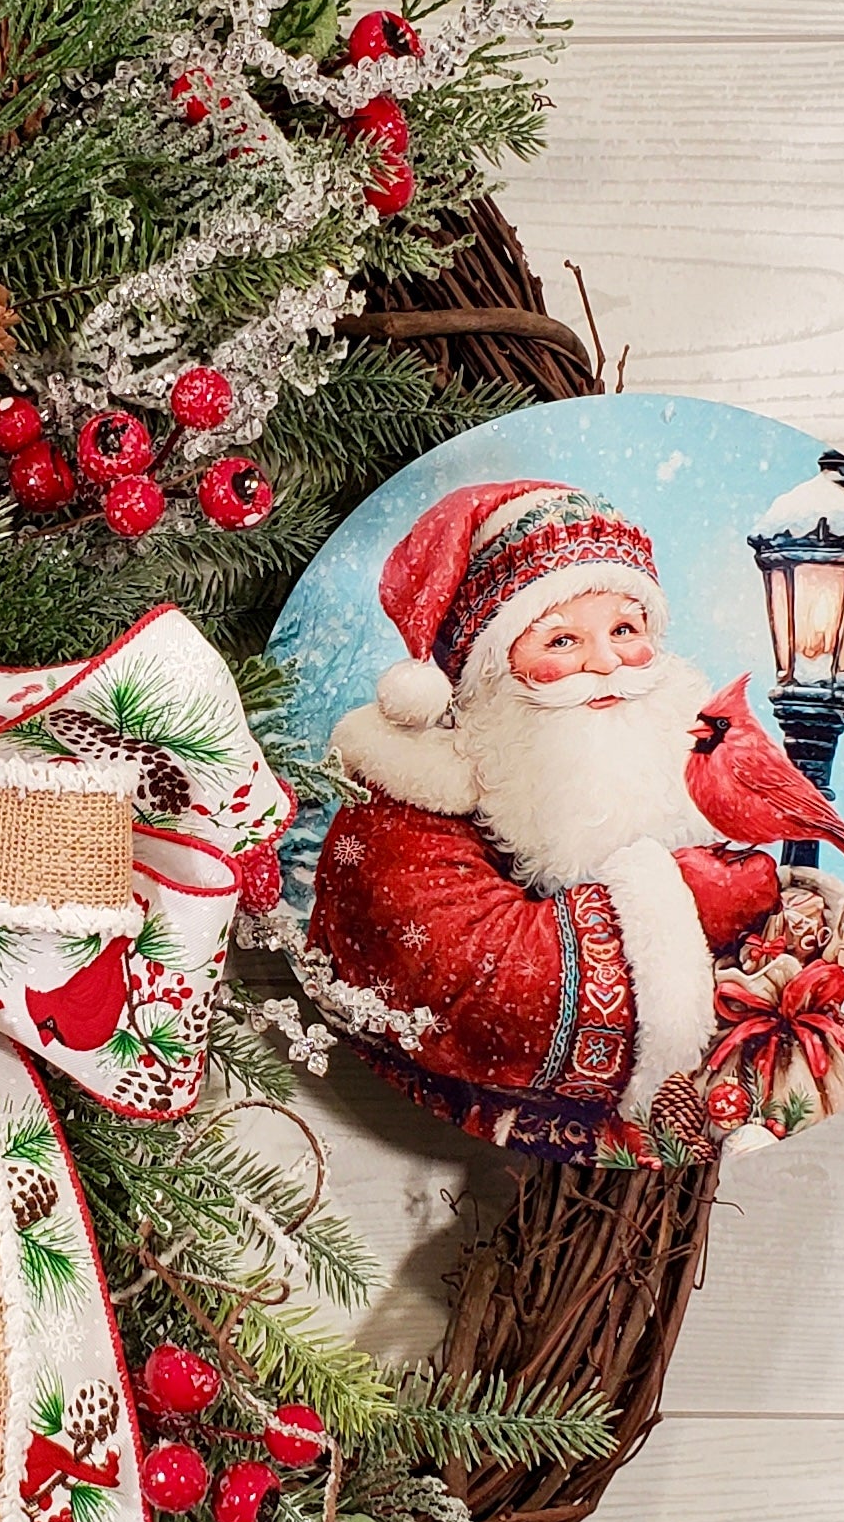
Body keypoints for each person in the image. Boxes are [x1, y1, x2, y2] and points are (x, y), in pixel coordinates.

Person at [307, 480, 784, 1156]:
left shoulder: (677, 761)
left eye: (625, 629)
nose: (607, 664)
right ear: (488, 674)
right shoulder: (400, 803)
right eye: (561, 641)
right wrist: (682, 899)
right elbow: (486, 991)